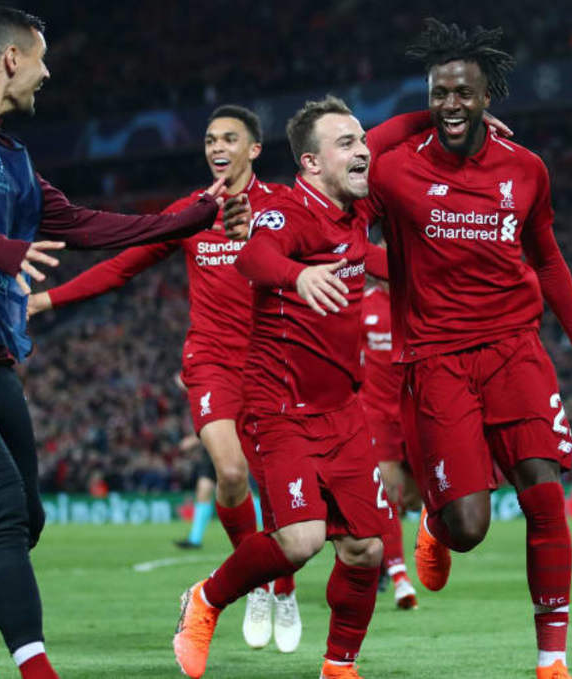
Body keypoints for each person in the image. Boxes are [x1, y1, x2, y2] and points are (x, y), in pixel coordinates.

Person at [0, 8, 246, 679]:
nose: (47, 74)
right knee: (2, 505)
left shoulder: (13, 156)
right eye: (41, 59)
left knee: (28, 516)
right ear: (11, 58)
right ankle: (35, 666)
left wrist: (197, 215)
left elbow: (85, 225)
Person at [369, 19, 572, 679]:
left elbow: (549, 258)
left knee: (544, 494)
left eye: (463, 93)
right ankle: (435, 524)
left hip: (514, 349)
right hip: (437, 359)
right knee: (470, 528)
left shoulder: (525, 169)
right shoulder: (395, 170)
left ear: (486, 98)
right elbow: (356, 160)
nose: (451, 104)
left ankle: (552, 660)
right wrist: (416, 116)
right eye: (439, 94)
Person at [27, 105, 303, 652]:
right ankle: (254, 584)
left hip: (273, 360)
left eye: (229, 138)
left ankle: (283, 586)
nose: (216, 147)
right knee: (231, 472)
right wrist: (47, 299)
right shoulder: (190, 213)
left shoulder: (283, 207)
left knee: (275, 486)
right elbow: (123, 266)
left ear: (254, 149)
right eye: (210, 139)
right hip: (211, 361)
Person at [173, 95, 411, 679]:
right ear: (311, 162)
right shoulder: (286, 211)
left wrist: (449, 115)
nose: (362, 151)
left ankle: (338, 667)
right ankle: (205, 599)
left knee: (367, 549)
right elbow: (255, 256)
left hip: (342, 409)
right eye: (347, 143)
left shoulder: (355, 207)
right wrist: (298, 276)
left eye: (361, 141)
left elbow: (391, 134)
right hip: (279, 408)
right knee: (301, 541)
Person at [359, 270, 419, 610]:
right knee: (388, 489)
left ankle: (385, 559)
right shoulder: (363, 307)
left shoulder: (416, 303)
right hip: (376, 412)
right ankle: (399, 576)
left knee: (414, 498)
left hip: (414, 408)